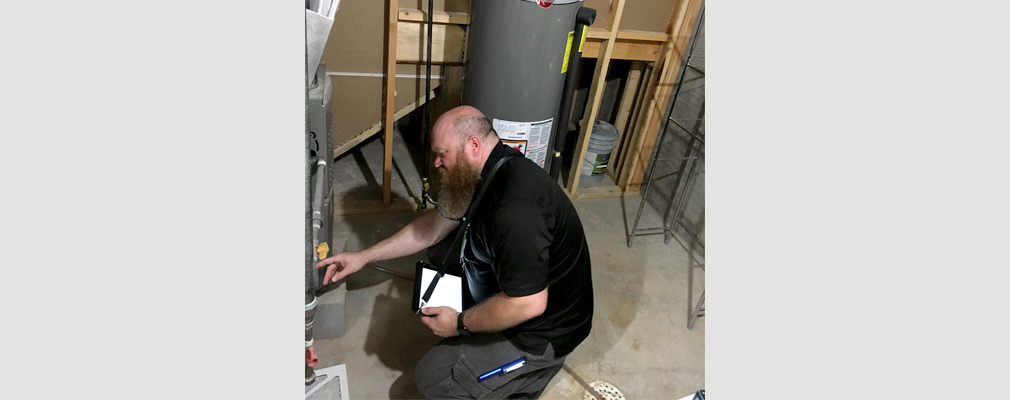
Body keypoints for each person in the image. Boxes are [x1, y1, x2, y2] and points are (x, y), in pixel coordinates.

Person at [316, 105, 593, 399]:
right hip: (528, 293)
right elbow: (431, 229)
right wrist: (363, 257)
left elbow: (528, 304)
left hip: (545, 332)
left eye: (441, 153)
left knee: (435, 378)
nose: (436, 163)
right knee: (441, 253)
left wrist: (459, 324)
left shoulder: (515, 210)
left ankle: (529, 376)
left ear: (472, 144)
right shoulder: (484, 170)